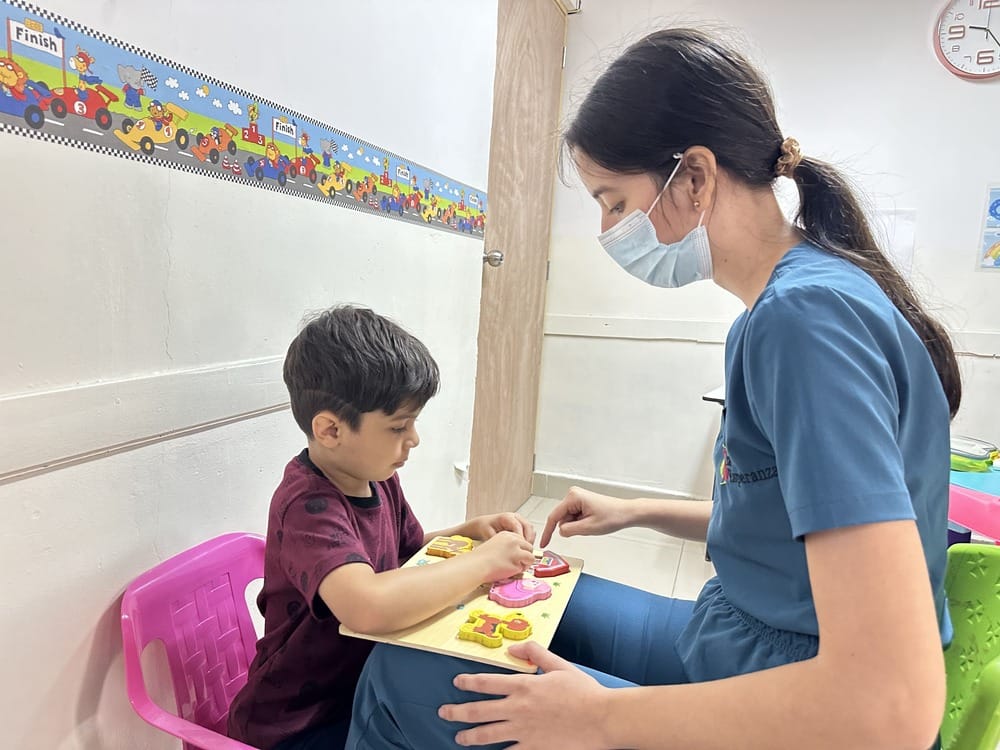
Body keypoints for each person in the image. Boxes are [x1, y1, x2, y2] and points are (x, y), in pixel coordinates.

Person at [345, 27, 961, 750]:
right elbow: (788, 517)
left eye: (613, 202)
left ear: (694, 177)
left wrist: (598, 718)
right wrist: (635, 511)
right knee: (521, 601)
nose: (608, 230)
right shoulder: (797, 303)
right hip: (744, 637)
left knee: (398, 673)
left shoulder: (803, 321)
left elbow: (891, 707)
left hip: (803, 703)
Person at [226, 305, 537, 750]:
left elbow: (406, 554)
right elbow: (367, 604)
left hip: (361, 688)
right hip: (297, 724)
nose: (414, 439)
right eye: (398, 426)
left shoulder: (377, 478)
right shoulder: (307, 507)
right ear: (330, 430)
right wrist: (482, 564)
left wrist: (468, 531)